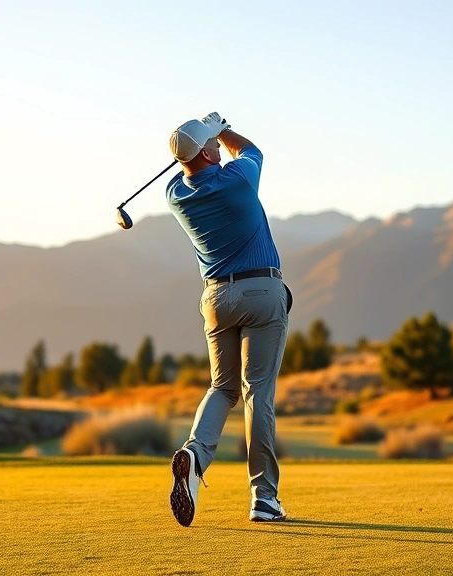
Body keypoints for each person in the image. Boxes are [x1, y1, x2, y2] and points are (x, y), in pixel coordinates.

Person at [164, 112, 290, 526]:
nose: (219, 146)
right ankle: (264, 498)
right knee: (258, 393)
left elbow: (189, 167)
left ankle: (195, 454)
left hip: (216, 297)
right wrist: (220, 126)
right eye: (212, 144)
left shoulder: (175, 194)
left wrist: (198, 142)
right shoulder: (236, 179)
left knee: (222, 387)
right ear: (205, 151)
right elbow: (251, 150)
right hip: (261, 290)